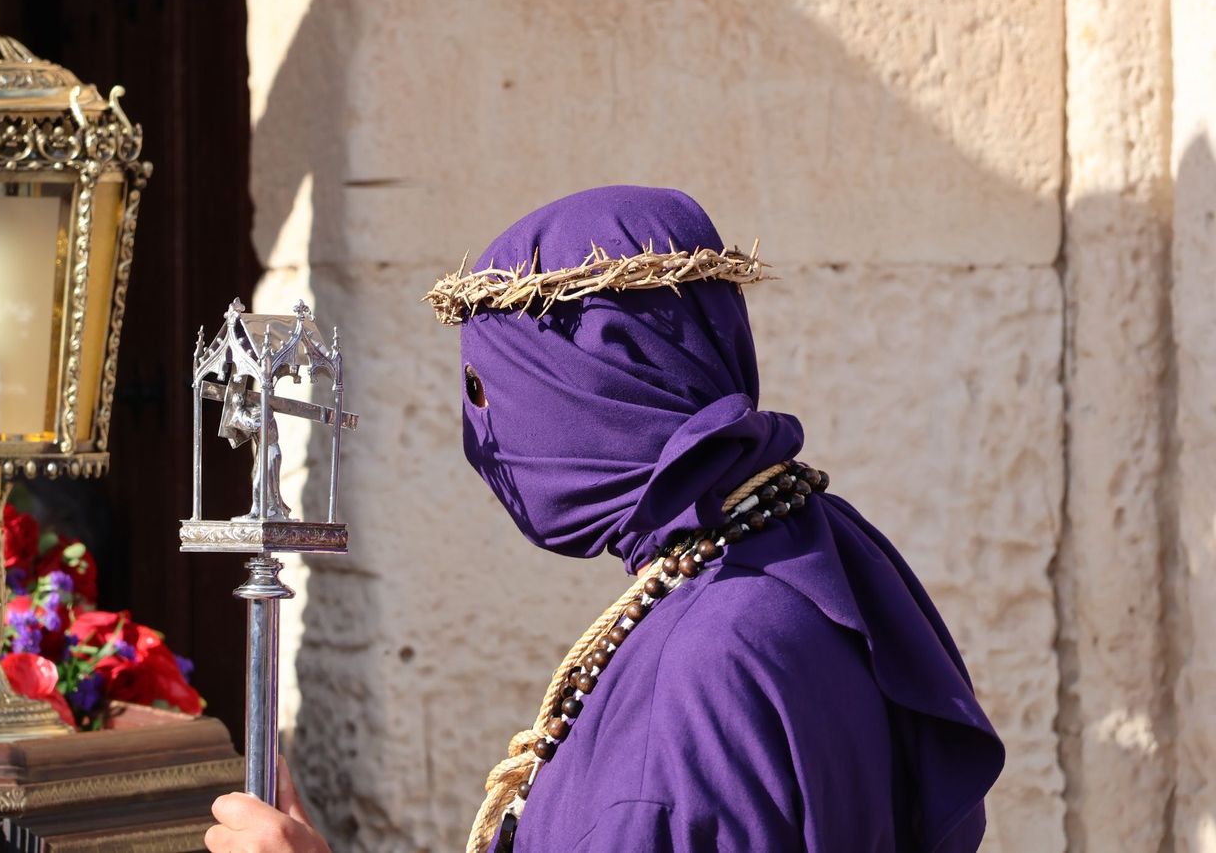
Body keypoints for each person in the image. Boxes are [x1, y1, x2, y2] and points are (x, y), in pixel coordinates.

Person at [206, 186, 1003, 852]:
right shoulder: (807, 547)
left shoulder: (699, 669)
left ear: (589, 389)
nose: (478, 437)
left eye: (487, 391)